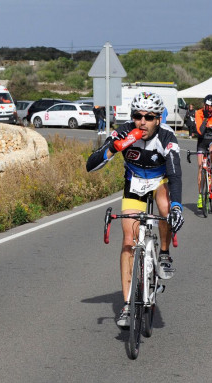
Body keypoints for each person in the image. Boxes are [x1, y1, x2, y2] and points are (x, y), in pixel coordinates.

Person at [86, 92, 184, 328]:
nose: (142, 121)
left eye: (149, 117)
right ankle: (128, 304)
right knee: (129, 240)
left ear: (158, 119)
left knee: (164, 207)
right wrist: (114, 148)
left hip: (159, 181)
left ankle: (163, 254)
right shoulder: (124, 131)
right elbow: (91, 165)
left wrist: (177, 206)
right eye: (138, 116)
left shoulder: (167, 137)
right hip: (134, 183)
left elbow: (175, 175)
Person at [195, 94, 212, 208]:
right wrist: (205, 119)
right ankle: (201, 196)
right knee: (201, 167)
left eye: (211, 107)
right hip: (202, 141)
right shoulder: (198, 113)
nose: (209, 109)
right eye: (207, 106)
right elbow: (200, 132)